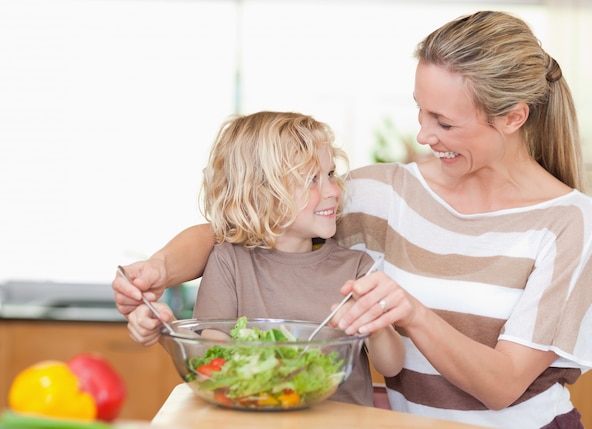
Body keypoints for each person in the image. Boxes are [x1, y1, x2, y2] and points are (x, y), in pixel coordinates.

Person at [113, 11, 592, 429]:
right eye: (421, 112)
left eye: (444, 122)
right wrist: (157, 270)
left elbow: (503, 386)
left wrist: (411, 314)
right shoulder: (382, 193)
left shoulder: (571, 223)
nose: (423, 135)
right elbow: (239, 228)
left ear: (513, 118)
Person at [121, 111, 404, 407]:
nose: (333, 190)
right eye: (312, 179)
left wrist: (376, 326)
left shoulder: (356, 268)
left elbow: (392, 365)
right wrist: (170, 331)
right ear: (261, 193)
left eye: (330, 174)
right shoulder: (229, 261)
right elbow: (214, 360)